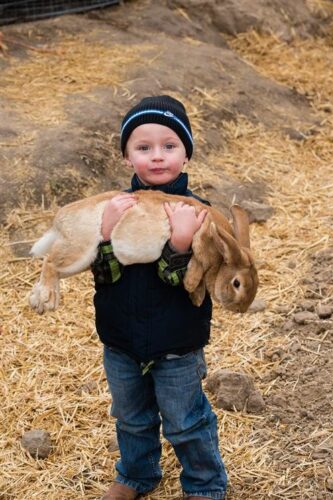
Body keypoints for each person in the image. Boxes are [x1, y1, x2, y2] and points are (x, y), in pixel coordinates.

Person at [91, 95, 228, 500]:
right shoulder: (117, 208)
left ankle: (204, 485)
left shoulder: (199, 213)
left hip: (176, 345)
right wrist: (104, 234)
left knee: (185, 421)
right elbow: (104, 276)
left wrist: (181, 243)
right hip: (121, 342)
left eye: (169, 146)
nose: (156, 157)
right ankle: (136, 474)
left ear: (186, 154)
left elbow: (188, 283)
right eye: (143, 147)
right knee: (130, 417)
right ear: (127, 156)